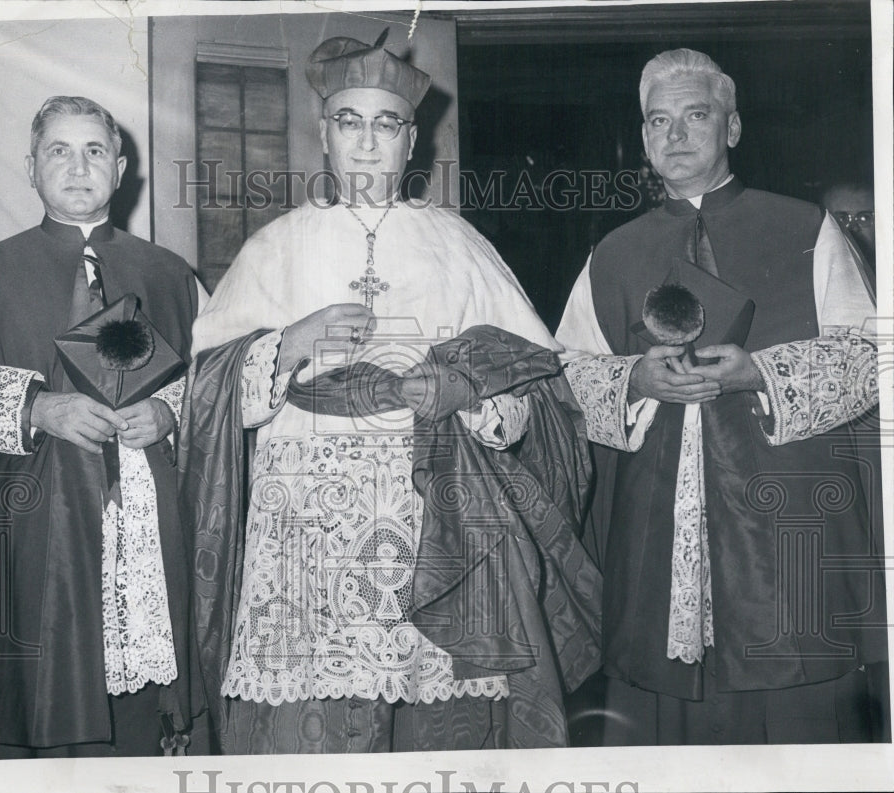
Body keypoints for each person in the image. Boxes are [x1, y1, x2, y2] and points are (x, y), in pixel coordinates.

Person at [182, 31, 602, 754]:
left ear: (413, 141)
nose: (368, 145)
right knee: (312, 732)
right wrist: (286, 346)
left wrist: (469, 394)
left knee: (441, 731)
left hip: (442, 526)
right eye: (350, 123)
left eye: (386, 125)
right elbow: (205, 395)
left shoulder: (460, 244)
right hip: (306, 536)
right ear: (323, 133)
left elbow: (538, 390)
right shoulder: (273, 245)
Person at [555, 48, 885, 744]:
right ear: (644, 139)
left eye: (695, 115)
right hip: (654, 539)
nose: (675, 135)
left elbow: (872, 360)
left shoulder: (806, 230)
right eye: (658, 121)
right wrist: (633, 380)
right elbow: (562, 381)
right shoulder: (611, 253)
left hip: (785, 534)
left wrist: (757, 372)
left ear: (732, 127)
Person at [0, 96, 207, 758]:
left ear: (120, 167)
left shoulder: (175, 276)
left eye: (94, 151)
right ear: (31, 168)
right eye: (59, 150)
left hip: (142, 535)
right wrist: (34, 408)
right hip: (33, 534)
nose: (78, 166)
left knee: (133, 733)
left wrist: (170, 412)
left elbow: (222, 387)